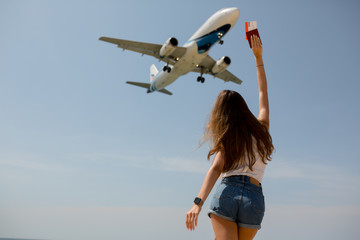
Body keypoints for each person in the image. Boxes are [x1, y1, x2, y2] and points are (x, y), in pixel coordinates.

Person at [185, 35, 274, 240]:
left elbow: (216, 168)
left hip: (228, 191)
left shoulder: (228, 137)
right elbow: (263, 91)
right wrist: (257, 57)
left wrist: (197, 203)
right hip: (254, 197)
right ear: (243, 109)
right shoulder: (262, 128)